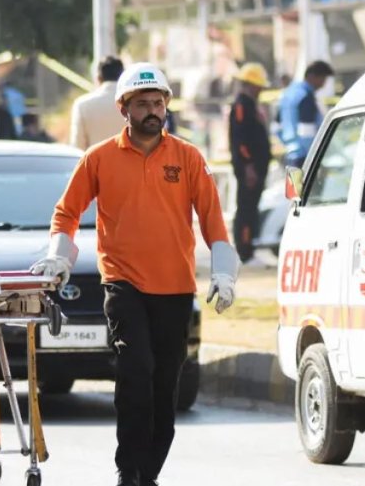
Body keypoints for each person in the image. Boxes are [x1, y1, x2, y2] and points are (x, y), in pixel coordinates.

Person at [31, 62, 239, 486]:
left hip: (176, 287)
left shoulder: (188, 157)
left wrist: (224, 273)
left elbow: (213, 220)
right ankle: (128, 471)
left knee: (165, 387)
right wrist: (59, 257)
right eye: (142, 103)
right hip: (123, 283)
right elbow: (66, 212)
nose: (152, 111)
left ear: (166, 107)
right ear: (123, 108)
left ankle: (147, 474)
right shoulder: (99, 158)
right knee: (135, 370)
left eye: (158, 103)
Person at [228, 63, 272, 265]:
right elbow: (241, 140)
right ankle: (244, 252)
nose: (261, 89)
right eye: (258, 85)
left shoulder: (252, 105)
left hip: (256, 167)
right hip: (249, 169)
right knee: (246, 208)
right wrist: (249, 166)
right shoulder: (241, 106)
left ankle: (250, 248)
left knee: (251, 208)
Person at [277, 60, 334, 168]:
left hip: (290, 155)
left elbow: (277, 127)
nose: (323, 84)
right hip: (305, 158)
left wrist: (289, 145)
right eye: (322, 79)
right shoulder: (306, 96)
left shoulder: (288, 93)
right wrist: (316, 159)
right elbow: (307, 132)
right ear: (312, 76)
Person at [69, 56, 125, 149]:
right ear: (123, 76)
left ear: (98, 78)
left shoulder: (82, 105)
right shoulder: (134, 102)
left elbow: (77, 146)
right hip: (129, 162)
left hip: (94, 162)